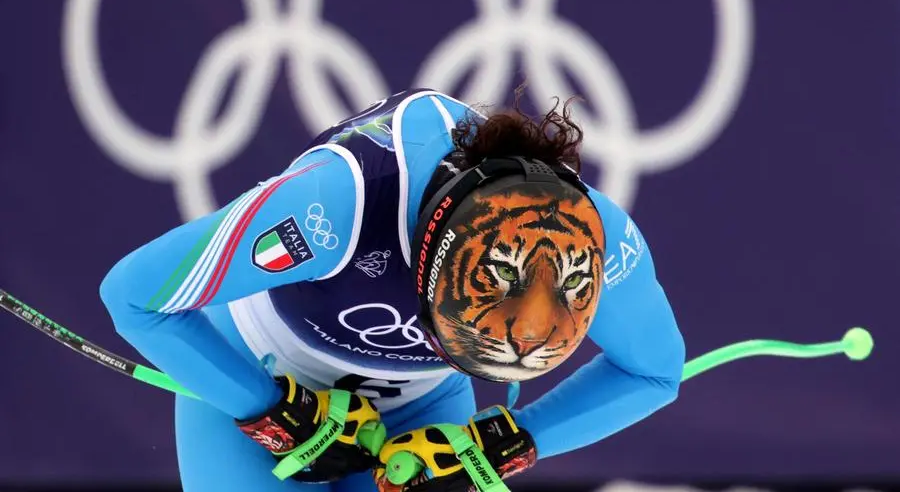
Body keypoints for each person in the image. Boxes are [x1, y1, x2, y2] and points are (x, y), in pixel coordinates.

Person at [100, 88, 685, 491]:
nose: (525, 337)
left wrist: (506, 443)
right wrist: (270, 409)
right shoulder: (335, 208)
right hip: (257, 366)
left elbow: (654, 372)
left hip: (422, 409)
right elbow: (132, 296)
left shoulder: (592, 237)